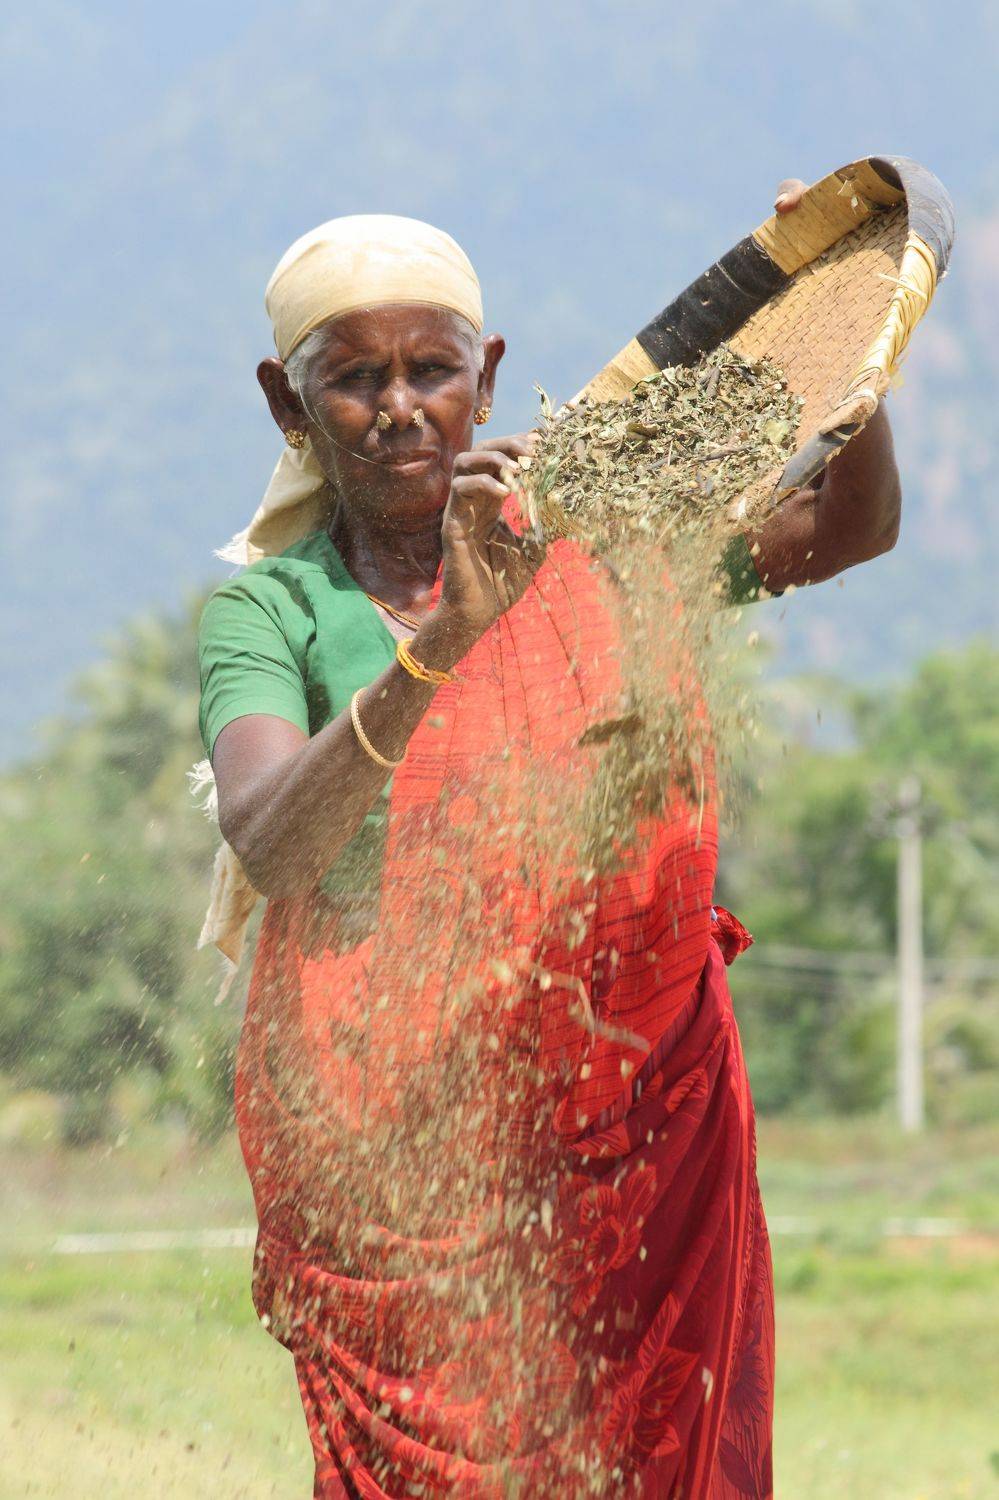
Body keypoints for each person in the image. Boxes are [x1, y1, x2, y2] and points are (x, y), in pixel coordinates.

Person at [198, 185, 900, 1498]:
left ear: (489, 377)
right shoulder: (272, 612)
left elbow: (845, 529)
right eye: (353, 379)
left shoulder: (597, 540)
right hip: (395, 1156)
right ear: (288, 405)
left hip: (633, 1123)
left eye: (432, 370)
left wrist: (856, 360)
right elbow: (272, 844)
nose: (400, 408)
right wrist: (445, 640)